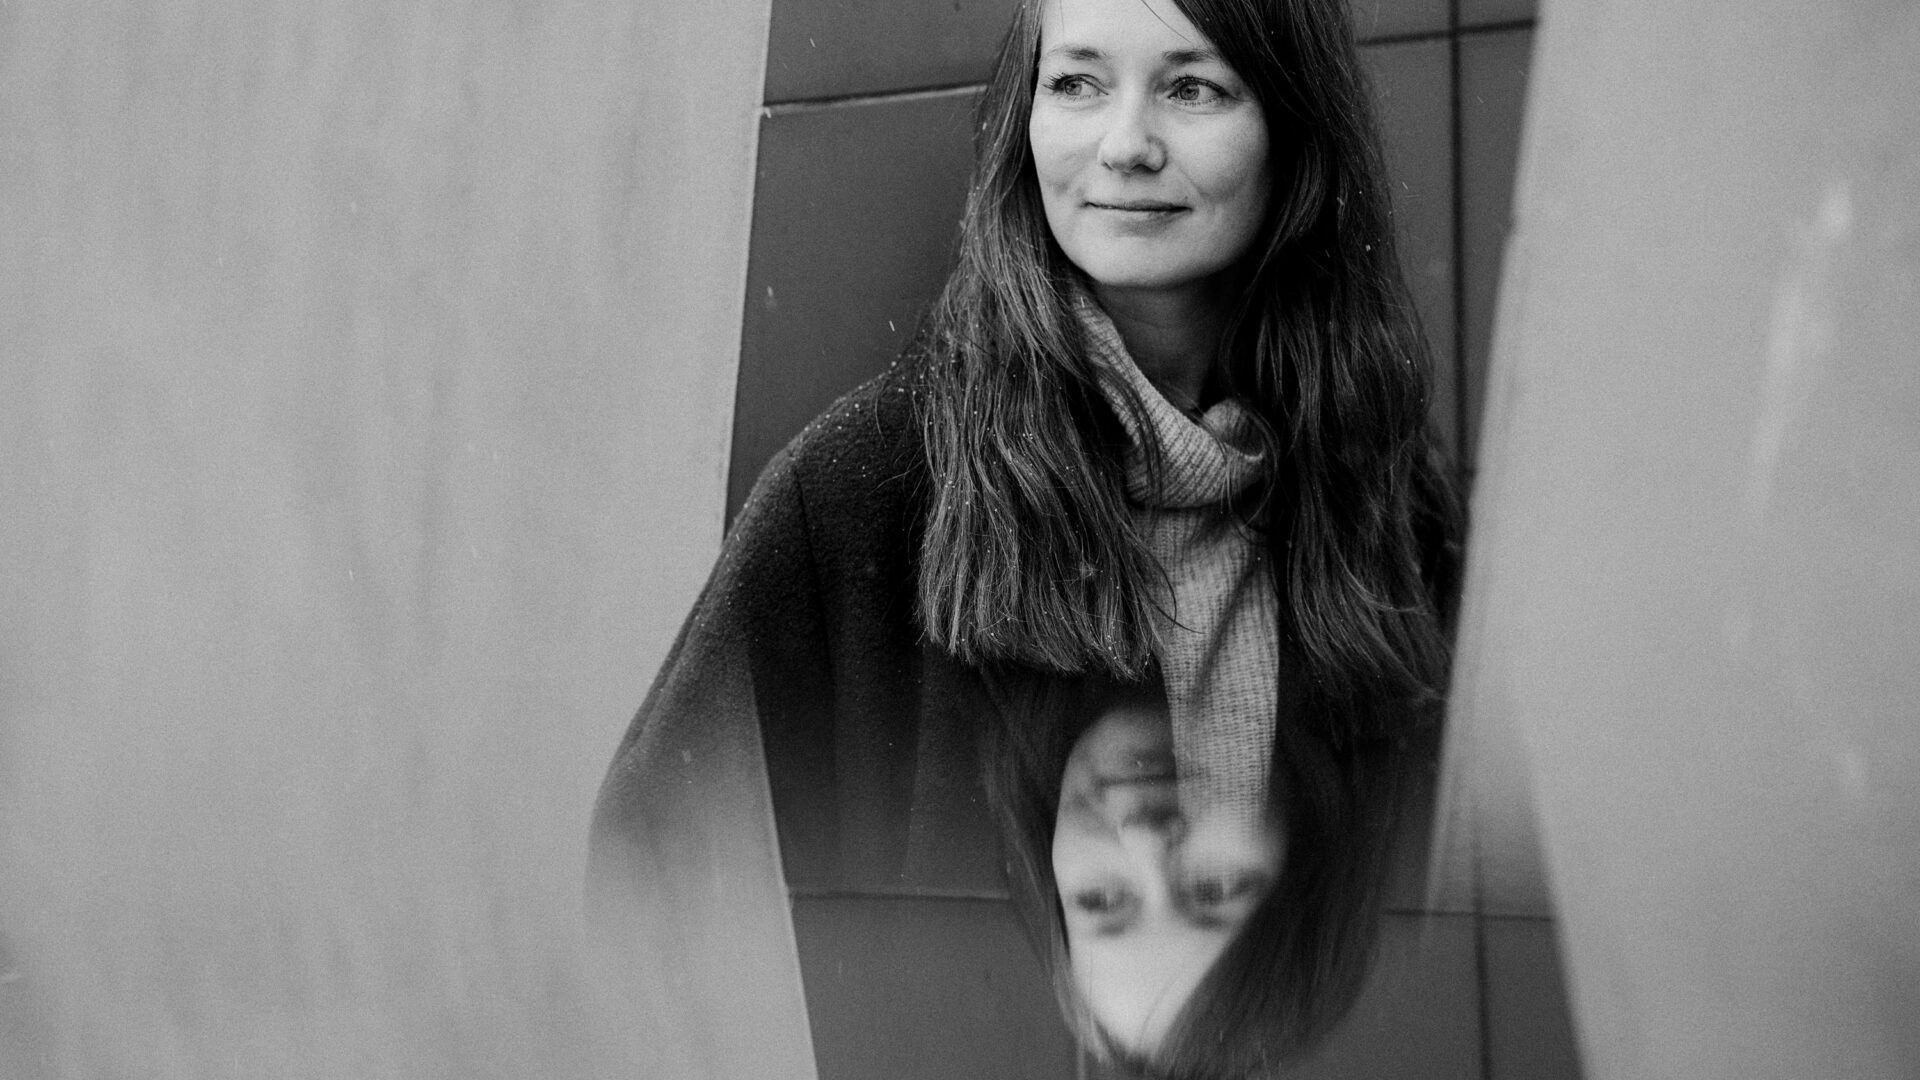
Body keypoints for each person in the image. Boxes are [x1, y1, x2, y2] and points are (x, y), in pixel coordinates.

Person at [588, 0, 1459, 1073]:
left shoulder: (1388, 498)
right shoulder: (868, 487)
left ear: (1295, 128)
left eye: (1192, 86)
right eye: (1077, 82)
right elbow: (653, 878)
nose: (1125, 145)